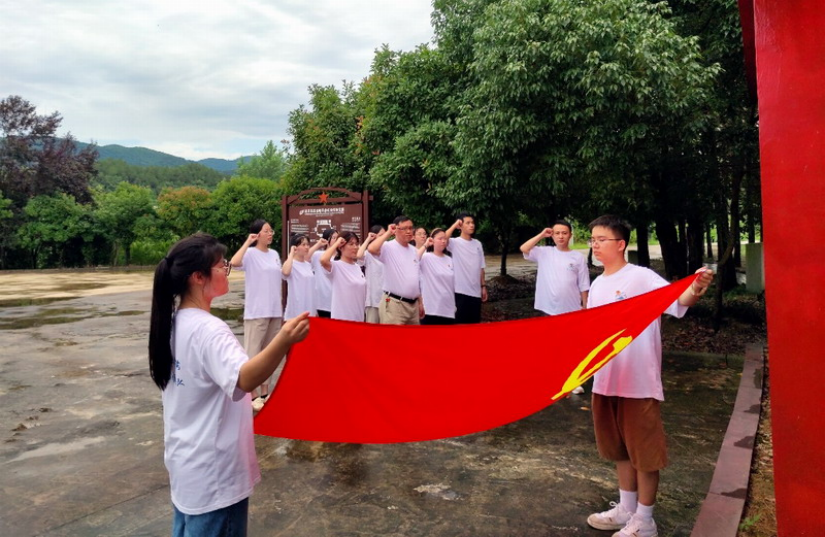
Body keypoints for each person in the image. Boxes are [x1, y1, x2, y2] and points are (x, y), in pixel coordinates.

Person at [148, 233, 310, 536]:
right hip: (215, 473)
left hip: (187, 462)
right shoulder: (210, 331)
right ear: (198, 277)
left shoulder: (175, 322)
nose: (227, 271)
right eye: (222, 266)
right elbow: (244, 379)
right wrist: (284, 339)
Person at [584, 215, 714, 537]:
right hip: (606, 380)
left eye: (601, 239)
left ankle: (645, 520)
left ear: (620, 244)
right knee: (619, 450)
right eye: (592, 239)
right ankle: (627, 509)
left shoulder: (640, 277)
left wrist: (696, 287)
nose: (594, 245)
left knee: (644, 453)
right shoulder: (598, 284)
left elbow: (679, 300)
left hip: (637, 383)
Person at [229, 219, 283, 407]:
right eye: (266, 231)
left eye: (271, 230)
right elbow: (234, 262)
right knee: (253, 354)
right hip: (257, 311)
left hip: (274, 310)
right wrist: (248, 242)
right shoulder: (250, 254)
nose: (270, 234)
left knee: (270, 354)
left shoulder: (274, 254)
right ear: (257, 234)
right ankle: (252, 395)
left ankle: (265, 393)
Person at [367, 215, 423, 325]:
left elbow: (416, 279)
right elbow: (371, 248)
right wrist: (388, 233)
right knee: (393, 336)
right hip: (394, 304)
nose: (409, 231)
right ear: (396, 230)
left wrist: (420, 302)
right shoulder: (388, 247)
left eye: (410, 228)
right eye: (404, 228)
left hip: (413, 305)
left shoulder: (414, 251)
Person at [444, 213, 487, 323]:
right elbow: (443, 239)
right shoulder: (454, 242)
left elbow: (481, 267)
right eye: (467, 223)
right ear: (460, 226)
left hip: (476, 292)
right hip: (460, 292)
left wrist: (483, 286)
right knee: (460, 325)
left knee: (474, 325)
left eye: (472, 223)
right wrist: (455, 225)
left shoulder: (478, 244)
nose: (471, 225)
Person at [319, 232, 367, 322]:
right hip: (342, 319)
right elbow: (323, 260)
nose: (355, 247)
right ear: (341, 247)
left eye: (356, 244)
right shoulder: (336, 266)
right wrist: (336, 243)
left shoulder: (357, 267)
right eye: (351, 244)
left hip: (358, 318)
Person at [417, 228, 456, 325]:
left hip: (448, 309)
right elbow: (412, 260)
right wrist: (426, 245)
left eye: (445, 239)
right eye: (440, 238)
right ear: (432, 240)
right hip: (431, 309)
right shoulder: (426, 257)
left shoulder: (450, 260)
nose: (443, 241)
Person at [282, 234, 325, 320]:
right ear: (295, 247)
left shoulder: (308, 265)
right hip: (296, 310)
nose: (306, 247)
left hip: (310, 310)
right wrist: (291, 253)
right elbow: (285, 272)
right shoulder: (291, 264)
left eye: (308, 244)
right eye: (303, 245)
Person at [311, 228, 338, 318]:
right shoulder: (318, 255)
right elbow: (306, 258)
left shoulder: (341, 257)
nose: (336, 240)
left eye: (338, 238)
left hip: (337, 299)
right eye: (333, 238)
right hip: (322, 300)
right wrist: (318, 244)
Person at [363, 225, 385, 323]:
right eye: (381, 235)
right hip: (373, 300)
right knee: (372, 330)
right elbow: (359, 256)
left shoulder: (388, 252)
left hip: (387, 301)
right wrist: (368, 239)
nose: (384, 238)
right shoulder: (368, 254)